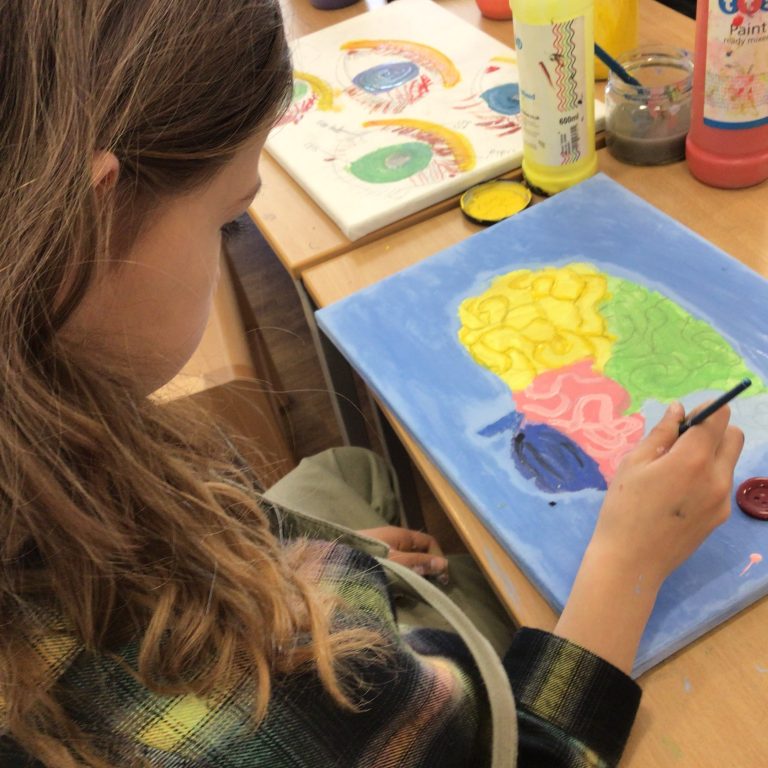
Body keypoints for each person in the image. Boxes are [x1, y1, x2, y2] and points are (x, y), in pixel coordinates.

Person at [0, 1, 743, 766]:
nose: (227, 247)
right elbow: (530, 756)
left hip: (260, 587)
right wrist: (628, 563)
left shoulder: (49, 432)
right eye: (227, 222)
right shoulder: (254, 701)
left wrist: (307, 556)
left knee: (353, 474)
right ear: (95, 224)